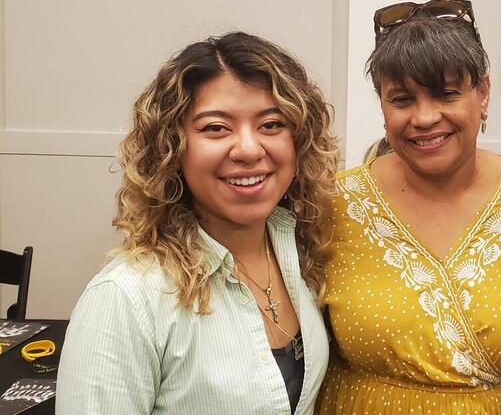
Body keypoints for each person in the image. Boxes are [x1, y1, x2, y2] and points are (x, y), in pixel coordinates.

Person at [56, 32, 338, 415]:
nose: (249, 149)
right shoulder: (126, 298)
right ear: (171, 149)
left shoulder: (301, 252)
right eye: (215, 128)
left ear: (299, 140)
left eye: (271, 124)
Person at [317, 0, 501, 414]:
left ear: (482, 94)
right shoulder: (333, 204)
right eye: (402, 100)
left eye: (446, 94)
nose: (425, 117)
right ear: (382, 105)